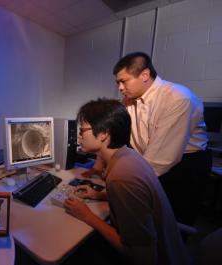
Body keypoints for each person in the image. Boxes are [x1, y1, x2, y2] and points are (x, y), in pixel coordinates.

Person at [86, 52, 212, 226]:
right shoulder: (127, 101)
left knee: (170, 220)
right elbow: (113, 134)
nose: (120, 88)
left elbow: (161, 159)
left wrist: (124, 185)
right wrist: (98, 167)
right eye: (118, 83)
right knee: (144, 213)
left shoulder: (177, 98)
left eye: (124, 81)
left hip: (183, 166)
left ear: (145, 75)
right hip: (148, 159)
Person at [65, 98, 190, 265]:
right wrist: (99, 195)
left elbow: (142, 256)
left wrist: (87, 216)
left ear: (103, 134)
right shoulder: (128, 155)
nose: (79, 136)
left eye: (82, 130)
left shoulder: (122, 177)